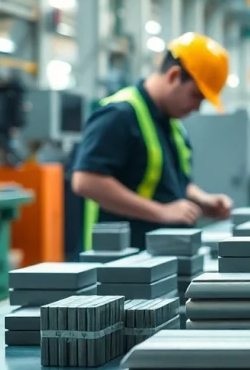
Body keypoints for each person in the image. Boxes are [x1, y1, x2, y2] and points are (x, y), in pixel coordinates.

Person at [72, 32, 235, 251]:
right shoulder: (120, 114)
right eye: (196, 95)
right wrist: (162, 212)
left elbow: (172, 183)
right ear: (174, 75)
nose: (197, 108)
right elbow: (86, 181)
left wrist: (202, 200)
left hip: (158, 256)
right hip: (121, 262)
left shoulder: (172, 124)